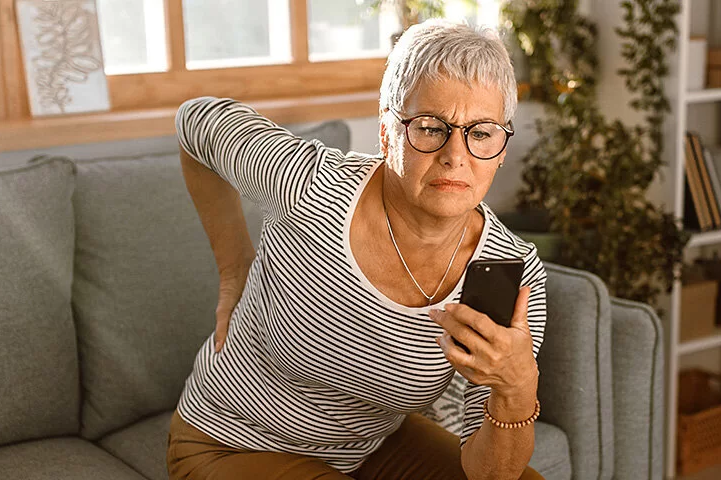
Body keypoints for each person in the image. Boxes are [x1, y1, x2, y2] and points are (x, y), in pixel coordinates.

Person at [166, 19, 549, 480]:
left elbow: (490, 474)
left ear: (502, 144)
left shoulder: (511, 270)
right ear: (387, 130)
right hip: (227, 443)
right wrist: (234, 271)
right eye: (430, 127)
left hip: (366, 453)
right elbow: (194, 121)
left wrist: (517, 385)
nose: (455, 155)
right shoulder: (307, 185)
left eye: (481, 132)